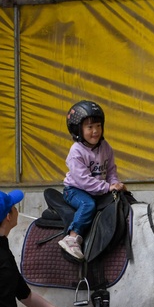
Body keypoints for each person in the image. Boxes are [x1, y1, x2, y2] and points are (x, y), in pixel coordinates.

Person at [58, 100, 126, 261]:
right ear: (78, 129)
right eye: (89, 127)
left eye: (98, 126)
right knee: (88, 205)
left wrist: (115, 184)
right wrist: (107, 187)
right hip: (75, 190)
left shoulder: (105, 147)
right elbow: (83, 181)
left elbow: (110, 171)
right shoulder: (76, 152)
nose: (95, 131)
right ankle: (72, 237)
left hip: (99, 188)